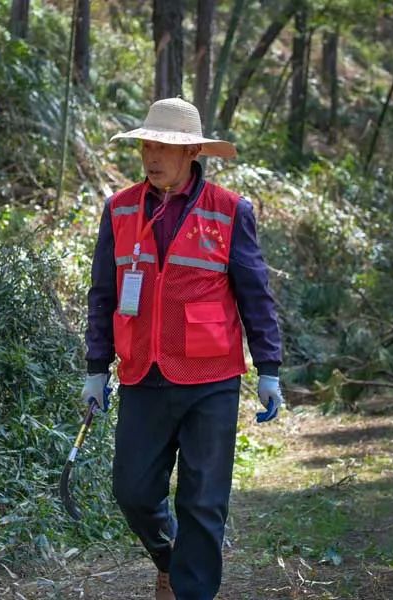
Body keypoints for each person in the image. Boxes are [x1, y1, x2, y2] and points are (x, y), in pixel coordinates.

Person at [82, 97, 284, 600]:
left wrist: (269, 368)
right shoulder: (120, 208)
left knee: (203, 501)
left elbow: (255, 293)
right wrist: (94, 368)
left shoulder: (230, 210)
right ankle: (170, 557)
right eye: (147, 145)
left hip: (211, 379)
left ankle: (191, 590)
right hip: (143, 374)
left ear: (193, 151)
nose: (152, 156)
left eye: (164, 147)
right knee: (131, 491)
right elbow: (103, 293)